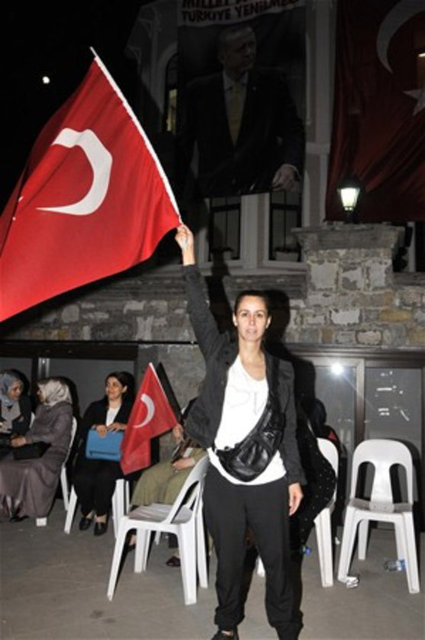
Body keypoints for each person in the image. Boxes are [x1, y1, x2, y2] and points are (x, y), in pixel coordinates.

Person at [175, 224, 304, 640]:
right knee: (229, 560)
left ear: (269, 322)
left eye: (258, 314)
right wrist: (189, 255)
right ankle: (227, 625)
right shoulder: (219, 354)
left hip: (270, 480)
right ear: (234, 319)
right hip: (224, 479)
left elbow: (287, 428)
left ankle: (286, 626)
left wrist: (294, 478)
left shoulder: (283, 371)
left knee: (278, 561)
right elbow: (198, 310)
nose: (251, 321)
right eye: (244, 313)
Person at [177, 24, 305, 198]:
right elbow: (185, 142)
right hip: (214, 189)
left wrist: (290, 165)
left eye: (252, 45)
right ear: (222, 57)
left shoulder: (273, 83)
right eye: (241, 48)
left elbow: (293, 129)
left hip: (263, 186)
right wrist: (175, 190)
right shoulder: (199, 91)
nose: (249, 52)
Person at [127, 398, 206, 566]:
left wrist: (192, 461)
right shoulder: (193, 403)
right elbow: (187, 438)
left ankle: (181, 546)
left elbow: (222, 446)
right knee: (150, 477)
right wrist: (179, 436)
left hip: (204, 460)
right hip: (185, 452)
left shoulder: (223, 406)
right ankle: (137, 531)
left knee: (176, 484)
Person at [0, 377, 73, 520]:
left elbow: (54, 435)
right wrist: (23, 440)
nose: (38, 393)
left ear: (53, 391)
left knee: (31, 469)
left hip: (55, 449)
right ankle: (9, 506)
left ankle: (28, 508)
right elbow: (33, 430)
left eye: (41, 390)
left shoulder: (65, 409)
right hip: (35, 447)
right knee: (4, 465)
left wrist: (26, 440)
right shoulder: (42, 407)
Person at [72, 371, 134, 536]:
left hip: (118, 456)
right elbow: (82, 430)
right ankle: (87, 510)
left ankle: (101, 514)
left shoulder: (132, 409)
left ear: (124, 389)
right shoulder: (95, 406)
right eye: (108, 384)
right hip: (93, 453)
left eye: (115, 385)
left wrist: (124, 427)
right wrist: (94, 427)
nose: (110, 388)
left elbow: (140, 432)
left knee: (104, 476)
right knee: (81, 477)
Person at [290, 401, 336, 554]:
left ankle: (292, 546)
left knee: (297, 506)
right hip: (303, 476)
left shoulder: (299, 428)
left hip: (318, 478)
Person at [0, 370, 32, 436]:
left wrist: (4, 425)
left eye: (20, 388)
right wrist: (15, 424)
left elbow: (24, 427)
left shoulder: (25, 401)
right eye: (15, 389)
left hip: (18, 439)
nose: (19, 392)